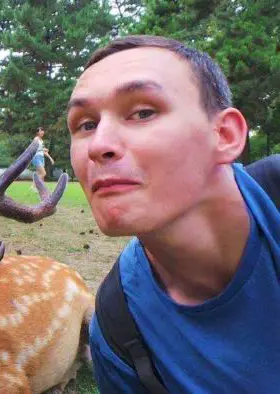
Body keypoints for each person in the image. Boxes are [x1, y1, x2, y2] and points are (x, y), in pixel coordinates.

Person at [68, 35, 280, 393]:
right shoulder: (119, 330)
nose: (99, 145)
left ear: (225, 135)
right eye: (86, 124)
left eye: (143, 112)